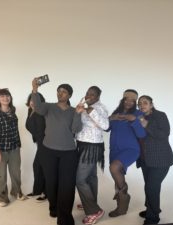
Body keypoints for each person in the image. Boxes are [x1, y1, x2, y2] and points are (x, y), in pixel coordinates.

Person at [31, 78, 84, 225]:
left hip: (68, 152)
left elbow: (76, 129)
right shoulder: (48, 107)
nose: (60, 94)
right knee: (52, 182)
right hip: (49, 151)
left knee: (67, 185)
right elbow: (37, 108)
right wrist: (35, 90)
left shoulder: (74, 111)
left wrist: (79, 113)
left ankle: (65, 217)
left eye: (64, 92)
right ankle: (53, 207)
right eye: (59, 91)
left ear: (69, 96)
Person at [107, 89, 146, 217]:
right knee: (117, 175)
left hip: (131, 149)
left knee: (114, 168)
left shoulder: (138, 113)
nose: (129, 102)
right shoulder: (116, 112)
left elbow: (142, 133)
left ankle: (125, 196)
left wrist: (133, 120)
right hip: (115, 149)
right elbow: (106, 128)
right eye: (126, 99)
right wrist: (111, 118)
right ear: (123, 100)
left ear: (135, 102)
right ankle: (121, 208)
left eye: (132, 100)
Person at [137, 95, 173, 225]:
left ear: (151, 104)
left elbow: (164, 134)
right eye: (140, 103)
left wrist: (146, 125)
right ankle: (151, 209)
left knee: (151, 187)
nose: (142, 105)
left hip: (161, 159)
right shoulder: (139, 117)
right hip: (145, 159)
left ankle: (153, 218)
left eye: (145, 103)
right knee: (149, 186)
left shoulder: (160, 115)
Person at [75, 86, 109, 225]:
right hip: (82, 144)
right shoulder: (85, 105)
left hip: (92, 146)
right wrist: (78, 111)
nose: (89, 96)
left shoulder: (99, 108)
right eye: (87, 93)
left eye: (93, 94)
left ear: (98, 96)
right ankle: (90, 202)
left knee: (80, 180)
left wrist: (89, 110)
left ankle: (94, 211)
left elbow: (106, 126)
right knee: (90, 177)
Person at [0, 88, 27, 207]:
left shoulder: (12, 111)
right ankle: (2, 197)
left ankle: (16, 192)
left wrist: (18, 145)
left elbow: (15, 131)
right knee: (2, 174)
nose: (5, 98)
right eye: (2, 96)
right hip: (0, 150)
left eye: (7, 96)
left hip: (14, 148)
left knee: (16, 172)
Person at [25, 93, 47, 202]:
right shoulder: (31, 111)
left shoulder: (40, 113)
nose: (32, 103)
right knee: (38, 166)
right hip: (40, 143)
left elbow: (41, 130)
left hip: (45, 143)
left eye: (35, 101)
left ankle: (45, 192)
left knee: (41, 167)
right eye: (31, 100)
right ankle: (38, 190)